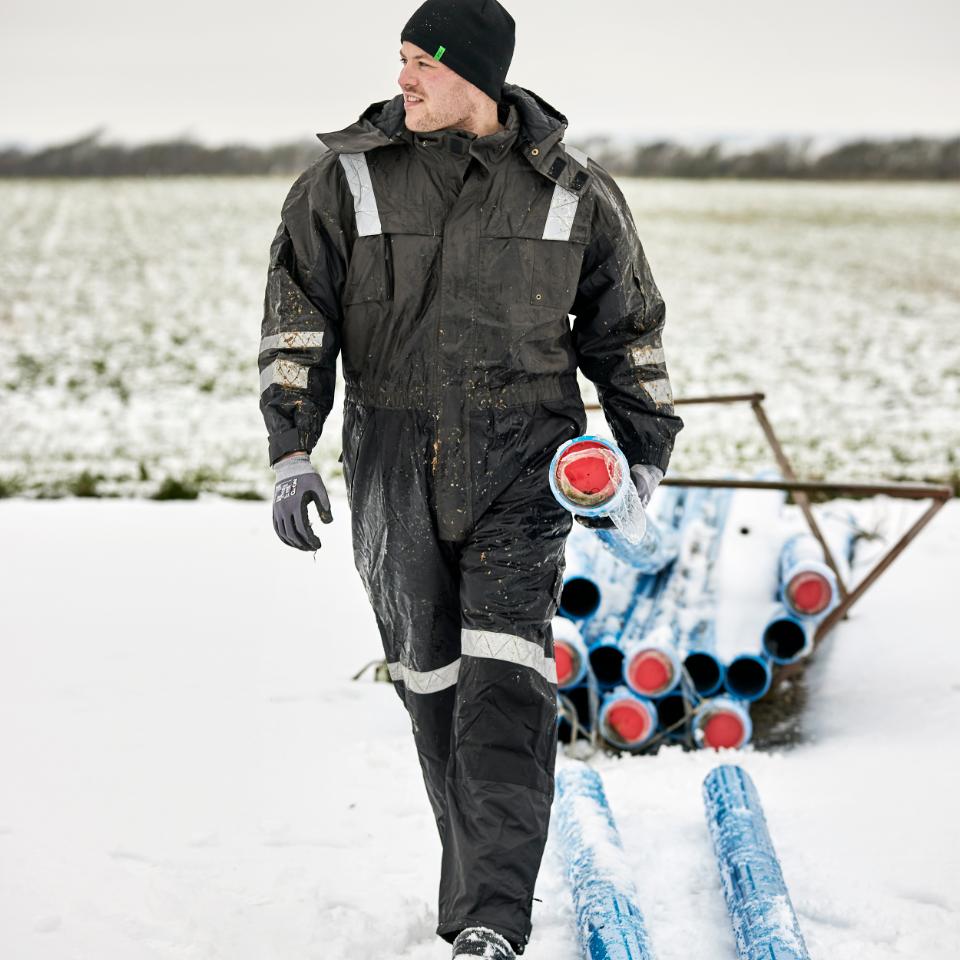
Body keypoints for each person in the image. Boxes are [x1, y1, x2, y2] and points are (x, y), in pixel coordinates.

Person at [257, 0, 683, 955]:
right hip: (389, 463)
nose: (403, 79)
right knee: (434, 686)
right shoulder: (345, 183)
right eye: (401, 58)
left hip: (523, 466)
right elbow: (296, 320)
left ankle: (491, 919)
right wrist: (291, 449)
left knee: (507, 683)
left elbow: (629, 335)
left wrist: (641, 460)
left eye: (423, 63)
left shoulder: (573, 194)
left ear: (475, 77)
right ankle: (476, 889)